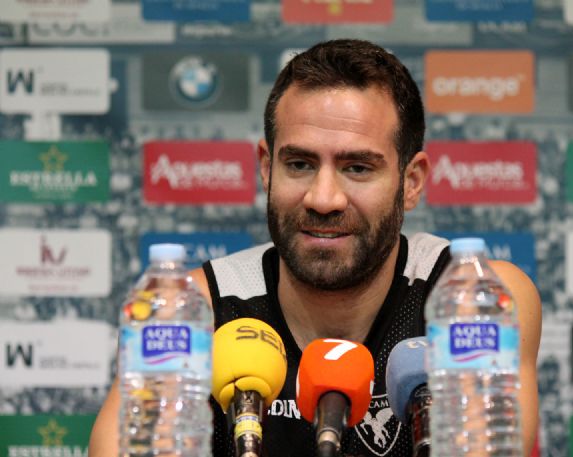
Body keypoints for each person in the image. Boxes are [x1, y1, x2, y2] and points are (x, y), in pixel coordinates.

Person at [89, 39, 541, 457]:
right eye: (300, 164)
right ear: (267, 169)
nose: (323, 199)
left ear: (411, 182)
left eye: (357, 168)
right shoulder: (184, 312)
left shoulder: (477, 300)